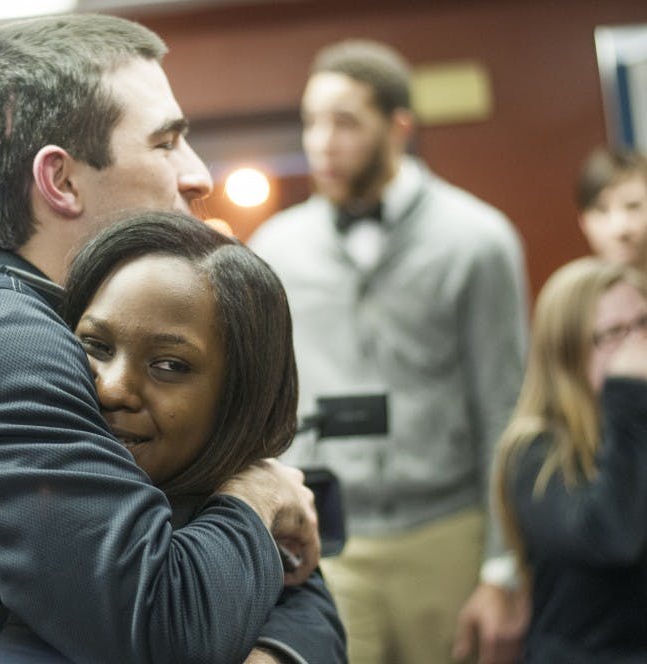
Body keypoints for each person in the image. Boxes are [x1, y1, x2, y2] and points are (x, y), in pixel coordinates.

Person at [0, 14, 322, 664]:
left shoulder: (53, 326)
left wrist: (277, 647)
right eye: (166, 144)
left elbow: (289, 575)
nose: (197, 175)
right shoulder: (0, 345)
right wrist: (260, 491)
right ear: (61, 181)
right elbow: (161, 628)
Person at [248, 39, 530, 664]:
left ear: (399, 127)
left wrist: (503, 569)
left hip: (446, 533)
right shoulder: (276, 246)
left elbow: (505, 409)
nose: (321, 141)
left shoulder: (477, 240)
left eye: (345, 122)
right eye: (312, 121)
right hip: (328, 538)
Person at [492, 257, 647, 663]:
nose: (638, 345)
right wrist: (627, 398)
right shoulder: (533, 454)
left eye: (644, 323)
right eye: (615, 333)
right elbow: (613, 539)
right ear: (567, 354)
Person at [575, 146, 647, 273]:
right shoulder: (574, 291)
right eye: (602, 210)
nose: (619, 229)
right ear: (582, 221)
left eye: (633, 206)